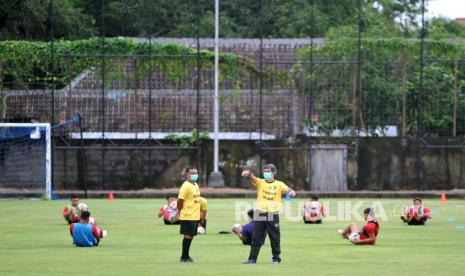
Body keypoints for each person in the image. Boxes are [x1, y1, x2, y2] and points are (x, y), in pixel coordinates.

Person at [241, 164, 296, 264]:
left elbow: (287, 189)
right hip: (260, 213)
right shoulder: (260, 182)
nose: (266, 173)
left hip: (272, 214)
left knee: (274, 237)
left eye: (268, 171)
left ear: (273, 173)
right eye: (265, 171)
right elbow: (253, 178)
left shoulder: (279, 184)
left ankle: (276, 258)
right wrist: (249, 173)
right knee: (256, 237)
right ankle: (252, 259)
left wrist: (291, 192)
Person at [177, 166, 201, 263]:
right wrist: (179, 212)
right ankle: (184, 257)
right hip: (188, 215)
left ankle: (185, 256)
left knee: (190, 236)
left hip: (194, 215)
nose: (195, 175)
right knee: (188, 236)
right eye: (192, 173)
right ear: (187, 174)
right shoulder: (186, 186)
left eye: (196, 173)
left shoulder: (195, 185)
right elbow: (180, 201)